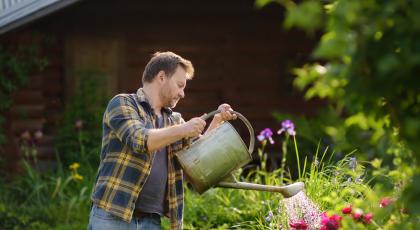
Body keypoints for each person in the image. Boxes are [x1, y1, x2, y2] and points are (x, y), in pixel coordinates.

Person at [88, 51, 236, 230]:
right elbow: (140, 140)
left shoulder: (174, 121)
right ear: (161, 77)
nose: (182, 94)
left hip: (152, 221)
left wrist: (217, 120)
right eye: (180, 85)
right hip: (112, 216)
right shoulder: (122, 104)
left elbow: (198, 158)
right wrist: (184, 129)